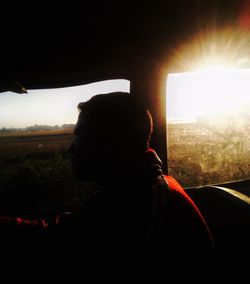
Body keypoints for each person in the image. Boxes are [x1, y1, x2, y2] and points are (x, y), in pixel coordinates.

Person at [0, 91, 214, 258]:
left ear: (112, 143)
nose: (71, 149)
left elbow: (51, 243)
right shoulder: (135, 189)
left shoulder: (135, 205)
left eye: (81, 137)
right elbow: (67, 231)